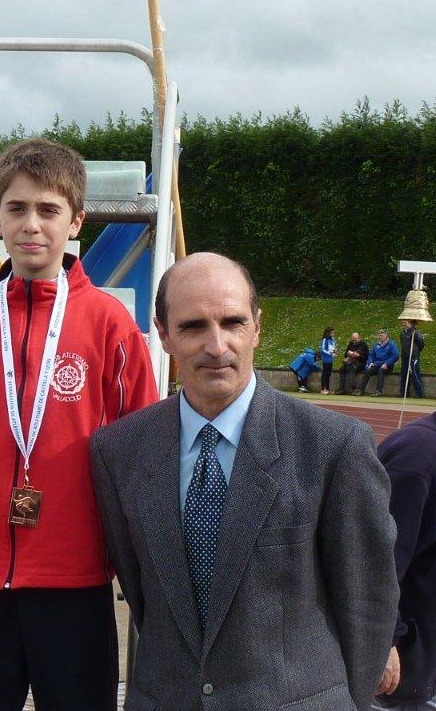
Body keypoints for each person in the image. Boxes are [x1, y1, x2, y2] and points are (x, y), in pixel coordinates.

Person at [90, 252, 398, 710]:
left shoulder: (334, 447)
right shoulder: (118, 451)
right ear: (164, 334)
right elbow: (141, 593)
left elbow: (367, 604)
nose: (217, 346)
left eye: (232, 322)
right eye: (193, 327)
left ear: (257, 327)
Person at [0, 139, 158, 711]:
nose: (31, 224)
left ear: (76, 220)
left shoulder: (110, 324)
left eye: (49, 210)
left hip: (73, 576)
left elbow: (141, 444)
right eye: (17, 208)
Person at [371, 400, 436, 710]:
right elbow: (371, 562)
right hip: (386, 674)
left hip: (429, 665)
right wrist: (384, 642)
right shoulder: (419, 458)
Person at [358, 329, 400, 397]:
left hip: (387, 365)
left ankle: (378, 391)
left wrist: (386, 363)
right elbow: (371, 355)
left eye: (381, 335)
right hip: (376, 364)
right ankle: (360, 390)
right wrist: (370, 362)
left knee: (381, 370)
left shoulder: (391, 344)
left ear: (386, 335)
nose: (379, 337)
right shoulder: (376, 345)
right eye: (379, 335)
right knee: (368, 370)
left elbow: (396, 356)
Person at [399, 320, 425, 399]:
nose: (403, 324)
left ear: (410, 323)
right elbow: (402, 343)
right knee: (404, 374)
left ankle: (419, 393)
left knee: (415, 374)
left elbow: (421, 344)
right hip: (405, 356)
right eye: (402, 322)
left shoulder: (415, 333)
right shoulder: (402, 333)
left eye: (405, 322)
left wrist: (415, 352)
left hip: (413, 356)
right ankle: (404, 392)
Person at [320, 326, 337, 394]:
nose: (333, 334)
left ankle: (327, 388)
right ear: (328, 333)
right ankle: (323, 389)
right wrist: (330, 353)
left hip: (331, 359)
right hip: (326, 359)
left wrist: (335, 351)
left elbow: (334, 347)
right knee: (325, 373)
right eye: (332, 333)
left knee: (329, 374)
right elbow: (323, 349)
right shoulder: (325, 339)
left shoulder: (333, 339)